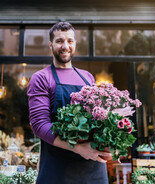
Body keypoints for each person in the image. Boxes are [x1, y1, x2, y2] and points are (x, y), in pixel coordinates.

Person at [27, 22, 112, 184]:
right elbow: (39, 125)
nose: (65, 46)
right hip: (58, 171)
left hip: (93, 172)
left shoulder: (87, 77)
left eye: (70, 41)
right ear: (51, 44)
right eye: (59, 41)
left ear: (75, 44)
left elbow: (96, 119)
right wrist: (79, 148)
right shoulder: (41, 78)